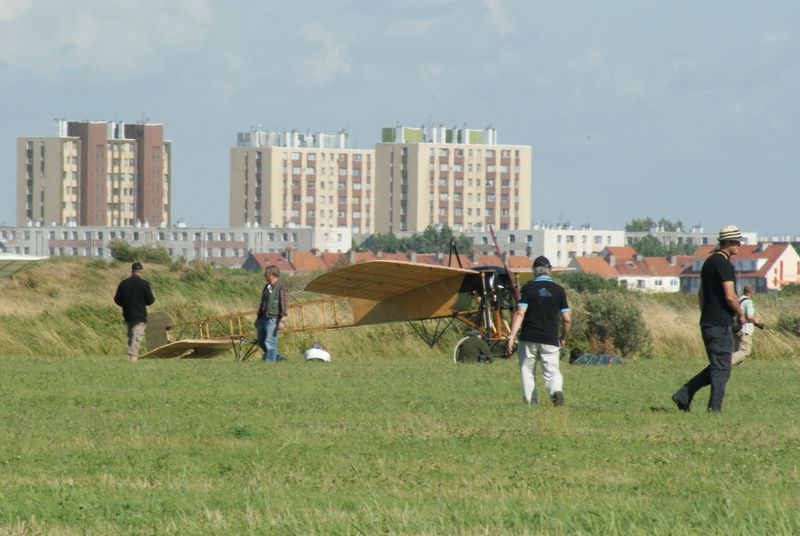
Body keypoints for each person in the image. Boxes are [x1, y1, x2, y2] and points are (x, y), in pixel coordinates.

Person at [672, 225, 746, 412]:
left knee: (718, 365)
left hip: (708, 321)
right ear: (727, 243)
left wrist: (706, 314)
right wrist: (740, 313)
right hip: (720, 323)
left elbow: (701, 294)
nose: (739, 245)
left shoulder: (709, 262)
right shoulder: (724, 264)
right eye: (736, 241)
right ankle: (714, 409)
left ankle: (683, 394)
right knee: (722, 369)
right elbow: (730, 296)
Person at [506, 256, 571, 406]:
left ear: (534, 271)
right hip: (550, 337)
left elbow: (520, 313)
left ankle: (531, 402)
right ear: (550, 270)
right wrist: (563, 337)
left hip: (529, 336)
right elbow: (567, 319)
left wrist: (511, 336)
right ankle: (555, 391)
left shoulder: (528, 289)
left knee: (527, 370)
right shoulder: (559, 291)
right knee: (551, 371)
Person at [113, 261, 155, 362]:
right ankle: (133, 357)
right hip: (140, 314)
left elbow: (117, 299)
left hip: (128, 314)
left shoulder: (123, 283)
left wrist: (126, 305)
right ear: (141, 271)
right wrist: (141, 302)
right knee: (137, 336)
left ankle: (131, 356)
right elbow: (150, 300)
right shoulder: (144, 284)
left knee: (131, 336)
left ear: (132, 271)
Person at [255, 264, 288, 363]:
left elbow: (284, 304)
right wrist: (258, 318)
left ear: (271, 274)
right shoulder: (267, 286)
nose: (264, 277)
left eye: (265, 275)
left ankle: (269, 363)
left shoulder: (281, 287)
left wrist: (282, 320)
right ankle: (277, 357)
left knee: (270, 342)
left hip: (274, 319)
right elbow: (262, 303)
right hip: (263, 318)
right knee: (261, 341)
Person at [732, 284, 763, 366]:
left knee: (737, 349)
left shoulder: (739, 299)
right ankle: (727, 362)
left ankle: (738, 368)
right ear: (752, 292)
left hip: (736, 327)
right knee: (745, 351)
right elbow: (749, 316)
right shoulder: (748, 302)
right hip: (745, 329)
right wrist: (756, 320)